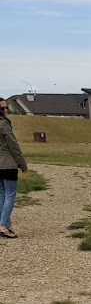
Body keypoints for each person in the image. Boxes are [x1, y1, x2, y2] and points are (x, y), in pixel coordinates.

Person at [0, 97, 28, 238]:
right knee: (10, 196)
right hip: (8, 165)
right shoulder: (4, 124)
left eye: (6, 107)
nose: (5, 110)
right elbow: (13, 146)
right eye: (2, 108)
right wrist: (23, 164)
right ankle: (4, 225)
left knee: (2, 195)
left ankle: (5, 224)